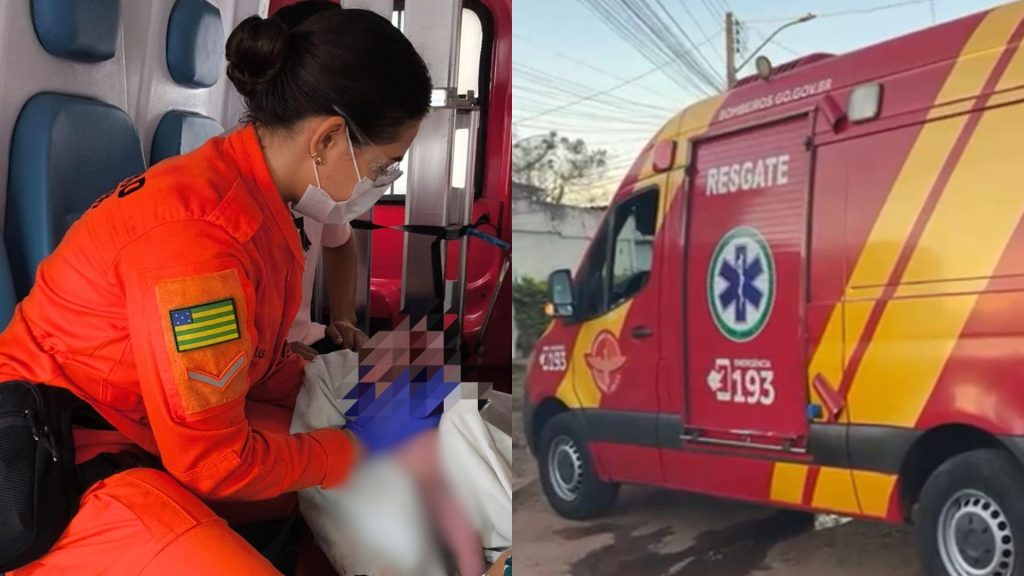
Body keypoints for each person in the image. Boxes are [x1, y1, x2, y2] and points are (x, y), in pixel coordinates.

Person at [0, 4, 434, 574]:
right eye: (384, 168)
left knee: (406, 441)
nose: (380, 185)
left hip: (152, 417)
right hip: (58, 450)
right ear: (329, 138)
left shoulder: (253, 199)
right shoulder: (200, 245)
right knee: (361, 467)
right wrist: (347, 452)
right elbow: (217, 462)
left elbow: (245, 360)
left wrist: (332, 384)